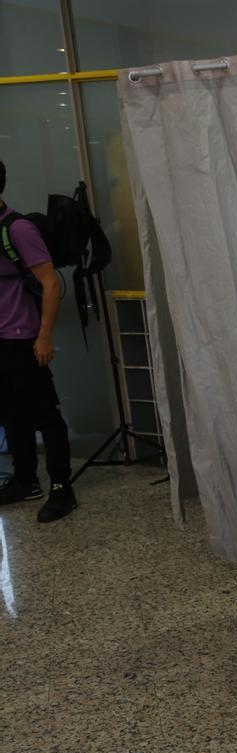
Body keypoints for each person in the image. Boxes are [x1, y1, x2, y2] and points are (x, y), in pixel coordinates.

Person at [0, 159, 78, 522]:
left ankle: (62, 488)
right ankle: (25, 479)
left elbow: (51, 282)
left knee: (44, 413)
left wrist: (44, 336)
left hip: (22, 336)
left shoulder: (18, 229)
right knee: (11, 413)